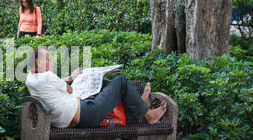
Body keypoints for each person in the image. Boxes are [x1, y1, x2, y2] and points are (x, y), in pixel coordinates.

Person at [25, 47, 167, 129]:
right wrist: (78, 81)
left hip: (77, 112)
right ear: (38, 61)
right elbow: (71, 90)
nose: (52, 62)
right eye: (49, 59)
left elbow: (58, 84)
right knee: (120, 81)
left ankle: (142, 104)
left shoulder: (30, 79)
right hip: (88, 113)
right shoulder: (48, 76)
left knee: (102, 83)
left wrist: (70, 78)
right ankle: (150, 116)